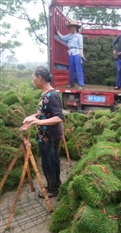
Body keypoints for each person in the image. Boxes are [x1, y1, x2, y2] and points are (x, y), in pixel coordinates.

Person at [23, 66, 64, 198]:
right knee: (53, 160)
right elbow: (44, 112)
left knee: (48, 163)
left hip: (48, 136)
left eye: (34, 77)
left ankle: (52, 189)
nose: (33, 80)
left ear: (40, 78)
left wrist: (39, 122)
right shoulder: (46, 94)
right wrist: (33, 117)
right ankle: (56, 183)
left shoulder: (51, 95)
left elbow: (59, 117)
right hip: (49, 135)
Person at [56, 20, 84, 89]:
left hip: (77, 53)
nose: (71, 28)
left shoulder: (80, 36)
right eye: (70, 27)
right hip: (71, 53)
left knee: (78, 69)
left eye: (72, 27)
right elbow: (62, 37)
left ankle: (81, 84)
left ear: (75, 27)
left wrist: (81, 55)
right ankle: (71, 84)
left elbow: (81, 47)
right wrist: (57, 31)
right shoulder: (69, 36)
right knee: (71, 69)